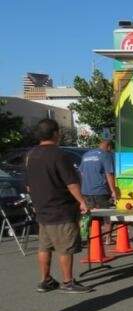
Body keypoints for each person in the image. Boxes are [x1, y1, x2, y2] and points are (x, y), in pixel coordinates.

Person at [25, 119, 92, 293]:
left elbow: (29, 185)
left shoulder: (31, 155)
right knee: (65, 248)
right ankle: (68, 282)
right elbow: (71, 183)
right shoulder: (59, 154)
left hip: (42, 209)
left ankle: (45, 279)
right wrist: (82, 201)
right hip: (61, 209)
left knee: (44, 246)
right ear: (55, 133)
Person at [79, 139, 118, 209]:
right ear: (109, 147)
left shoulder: (86, 155)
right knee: (104, 217)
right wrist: (113, 191)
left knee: (90, 216)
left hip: (86, 192)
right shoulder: (106, 154)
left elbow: (82, 173)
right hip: (100, 193)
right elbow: (109, 174)